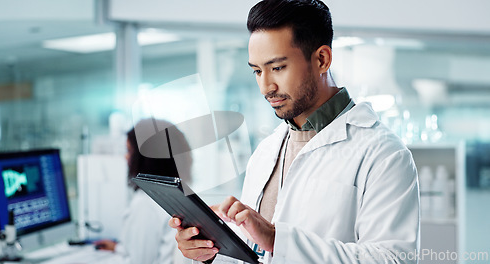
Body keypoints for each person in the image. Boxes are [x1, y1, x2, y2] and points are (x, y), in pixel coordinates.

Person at [169, 0, 420, 263]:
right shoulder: (266, 151)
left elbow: (393, 259)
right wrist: (211, 249)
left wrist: (278, 240)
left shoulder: (384, 153)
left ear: (322, 59)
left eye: (277, 68)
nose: (266, 86)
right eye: (257, 71)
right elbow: (254, 253)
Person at [95, 118, 192, 264]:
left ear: (145, 158)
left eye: (129, 151)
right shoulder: (174, 195)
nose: (126, 157)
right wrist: (119, 248)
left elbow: (140, 260)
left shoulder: (146, 204)